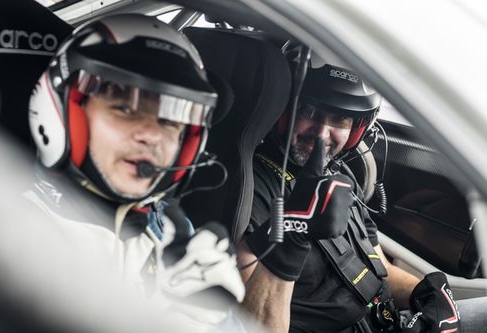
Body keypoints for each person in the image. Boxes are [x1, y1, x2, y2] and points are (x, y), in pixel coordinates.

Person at [25, 13, 245, 331]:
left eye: (170, 120)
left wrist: (211, 320)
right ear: (63, 110)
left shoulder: (176, 237)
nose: (151, 135)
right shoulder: (9, 231)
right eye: (124, 108)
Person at [237, 62, 487, 333]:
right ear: (285, 112)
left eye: (339, 120)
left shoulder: (338, 173)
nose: (321, 133)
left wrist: (427, 296)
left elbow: (379, 266)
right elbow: (254, 325)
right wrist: (291, 234)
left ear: (357, 129)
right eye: (310, 112)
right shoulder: (249, 190)